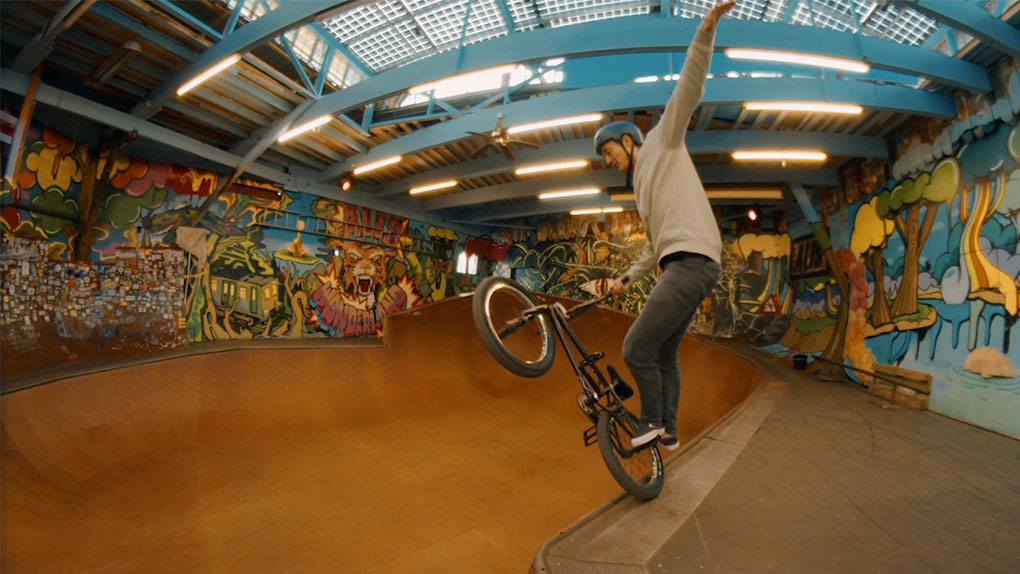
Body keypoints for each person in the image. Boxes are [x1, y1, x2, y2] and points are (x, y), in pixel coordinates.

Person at [599, 1, 734, 451]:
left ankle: (651, 421)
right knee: (665, 354)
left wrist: (706, 31)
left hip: (691, 263)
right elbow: (652, 246)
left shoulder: (662, 141)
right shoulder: (641, 187)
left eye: (608, 152)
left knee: (635, 348)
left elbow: (687, 91)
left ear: (626, 139)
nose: (608, 161)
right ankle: (671, 432)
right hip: (687, 264)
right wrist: (625, 279)